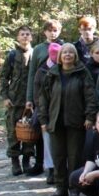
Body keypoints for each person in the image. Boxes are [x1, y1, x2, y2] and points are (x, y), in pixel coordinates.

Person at [38, 43, 98, 196]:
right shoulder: (52, 74)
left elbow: (90, 96)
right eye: (64, 52)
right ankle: (60, 188)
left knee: (75, 156)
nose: (67, 55)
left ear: (75, 56)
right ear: (60, 56)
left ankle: (74, 188)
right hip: (55, 121)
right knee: (58, 156)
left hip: (76, 121)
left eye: (71, 52)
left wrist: (90, 117)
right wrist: (43, 119)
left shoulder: (82, 73)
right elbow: (43, 98)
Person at [0, 25, 35, 176]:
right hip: (14, 101)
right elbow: (4, 77)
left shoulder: (36, 54)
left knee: (29, 133)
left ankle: (27, 161)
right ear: (18, 37)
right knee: (13, 133)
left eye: (27, 34)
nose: (25, 37)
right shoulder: (12, 55)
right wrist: (5, 97)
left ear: (31, 37)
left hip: (29, 101)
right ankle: (15, 162)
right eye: (22, 34)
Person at [33, 42, 61, 184]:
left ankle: (61, 170)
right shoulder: (42, 70)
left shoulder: (65, 68)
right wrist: (42, 115)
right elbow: (37, 95)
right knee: (48, 142)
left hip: (62, 111)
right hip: (47, 112)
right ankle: (51, 169)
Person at [25, 18, 62, 117]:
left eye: (55, 30)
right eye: (49, 31)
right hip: (40, 90)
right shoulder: (38, 49)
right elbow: (32, 73)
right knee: (40, 121)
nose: (52, 33)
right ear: (45, 32)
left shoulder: (64, 47)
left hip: (59, 89)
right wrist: (29, 98)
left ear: (59, 31)